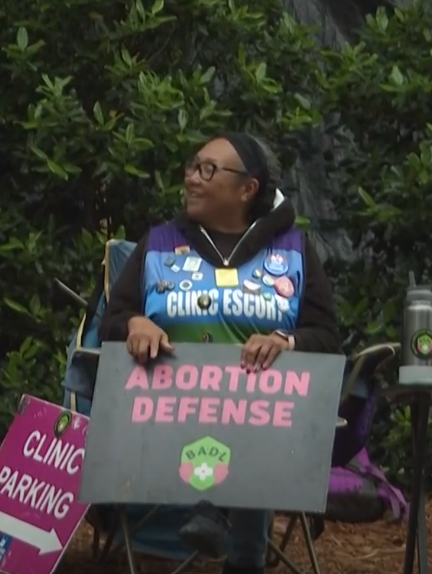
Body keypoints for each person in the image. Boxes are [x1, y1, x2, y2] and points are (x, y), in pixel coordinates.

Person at [95, 133, 341, 574]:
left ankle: (223, 522)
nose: (192, 178)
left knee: (255, 411)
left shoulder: (294, 251)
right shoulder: (159, 244)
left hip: (264, 414)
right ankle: (235, 542)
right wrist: (136, 324)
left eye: (208, 170)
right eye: (192, 166)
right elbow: (112, 320)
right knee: (244, 421)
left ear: (248, 189)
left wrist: (285, 342)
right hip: (165, 411)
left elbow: (324, 334)